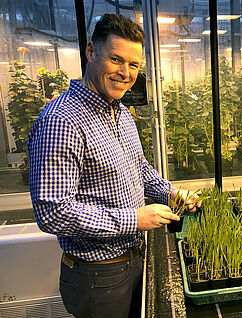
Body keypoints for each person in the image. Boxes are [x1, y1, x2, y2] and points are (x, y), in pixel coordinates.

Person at [27, 14, 199, 318]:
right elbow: (52, 212)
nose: (126, 73)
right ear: (91, 52)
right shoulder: (62, 121)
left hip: (134, 262)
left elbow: (141, 170)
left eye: (134, 65)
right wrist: (134, 220)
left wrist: (172, 193)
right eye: (116, 59)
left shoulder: (121, 113)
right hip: (97, 276)